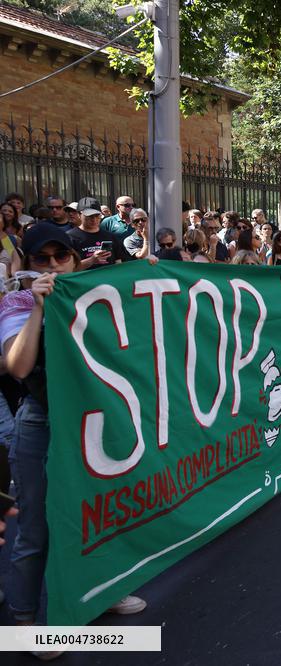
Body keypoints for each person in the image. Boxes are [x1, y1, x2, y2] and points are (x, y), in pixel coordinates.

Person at [1, 225, 146, 655]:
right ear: (27, 265)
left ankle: (102, 591)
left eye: (59, 256)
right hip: (42, 422)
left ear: (75, 259)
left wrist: (151, 274)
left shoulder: (100, 291)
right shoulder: (18, 301)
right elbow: (18, 367)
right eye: (40, 259)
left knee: (102, 511)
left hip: (98, 421)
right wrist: (40, 309)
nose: (52, 265)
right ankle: (27, 622)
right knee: (36, 528)